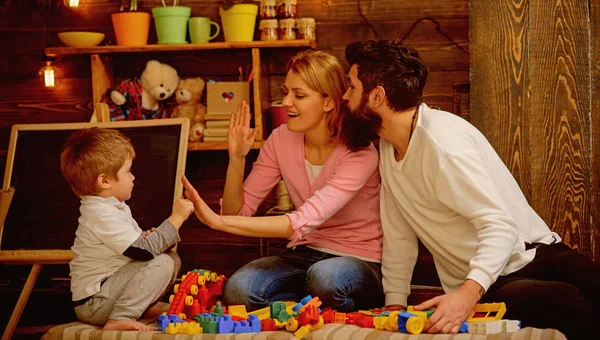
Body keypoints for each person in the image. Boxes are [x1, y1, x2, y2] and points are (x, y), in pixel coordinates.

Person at [341, 39, 600, 338]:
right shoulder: (389, 147)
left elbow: (499, 225)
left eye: (351, 87)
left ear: (376, 97)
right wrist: (396, 303)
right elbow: (399, 235)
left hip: (536, 254)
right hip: (496, 280)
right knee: (566, 303)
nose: (345, 96)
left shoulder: (442, 143)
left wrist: (464, 297)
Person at [182, 50, 384, 312]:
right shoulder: (280, 139)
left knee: (326, 279)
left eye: (299, 95)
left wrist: (218, 222)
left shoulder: (360, 152)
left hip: (357, 260)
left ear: (328, 102)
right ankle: (306, 306)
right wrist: (237, 159)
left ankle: (312, 301)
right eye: (286, 91)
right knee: (239, 289)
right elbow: (237, 213)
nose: (286, 102)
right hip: (304, 254)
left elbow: (298, 222)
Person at [60, 127, 194, 331]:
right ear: (104, 181)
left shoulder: (111, 207)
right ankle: (120, 316)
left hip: (109, 290)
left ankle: (141, 306)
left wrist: (146, 239)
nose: (133, 177)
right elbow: (145, 251)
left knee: (170, 258)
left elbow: (137, 249)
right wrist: (177, 217)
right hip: (95, 303)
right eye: (128, 171)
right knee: (163, 263)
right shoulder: (101, 214)